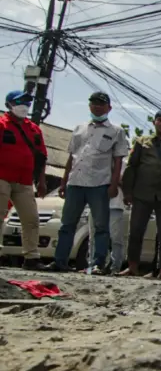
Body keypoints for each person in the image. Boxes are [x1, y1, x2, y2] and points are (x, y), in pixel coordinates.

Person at [47, 92, 128, 273]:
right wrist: (63, 181)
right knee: (67, 224)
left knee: (101, 226)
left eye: (101, 104)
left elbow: (118, 161)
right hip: (75, 182)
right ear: (89, 105)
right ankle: (60, 262)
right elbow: (71, 157)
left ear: (109, 107)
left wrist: (114, 185)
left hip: (99, 184)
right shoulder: (79, 128)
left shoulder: (116, 131)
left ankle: (98, 263)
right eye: (94, 103)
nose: (97, 107)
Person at [120, 110, 161, 279]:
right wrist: (127, 192)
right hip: (142, 193)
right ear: (154, 122)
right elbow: (131, 168)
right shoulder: (142, 142)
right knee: (136, 232)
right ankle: (132, 266)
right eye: (160, 120)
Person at [0, 90, 46, 270]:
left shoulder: (34, 129)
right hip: (2, 177)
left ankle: (31, 257)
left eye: (27, 102)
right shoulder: (2, 125)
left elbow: (41, 157)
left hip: (25, 181)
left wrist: (41, 181)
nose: (24, 106)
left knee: (31, 219)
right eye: (20, 102)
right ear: (9, 104)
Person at [87, 162, 125, 274]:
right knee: (94, 236)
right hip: (96, 203)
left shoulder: (123, 164)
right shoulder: (98, 160)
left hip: (115, 204)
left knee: (115, 237)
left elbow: (122, 181)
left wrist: (112, 172)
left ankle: (115, 267)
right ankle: (93, 265)